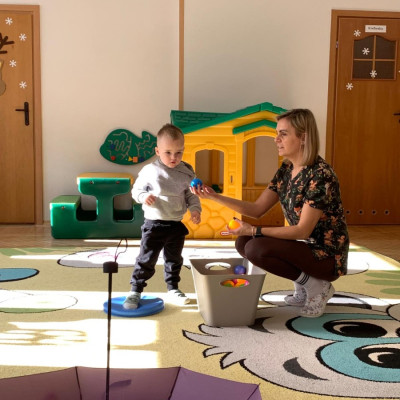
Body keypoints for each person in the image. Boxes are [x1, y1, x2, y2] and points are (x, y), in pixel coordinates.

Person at [191, 109, 349, 318]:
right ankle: (305, 284)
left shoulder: (321, 175)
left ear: (303, 137)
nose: (276, 139)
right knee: (243, 242)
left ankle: (317, 287)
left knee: (256, 247)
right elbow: (257, 209)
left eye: (283, 134)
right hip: (303, 248)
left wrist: (254, 230)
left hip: (326, 256)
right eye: (277, 133)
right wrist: (214, 197)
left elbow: (302, 231)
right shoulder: (286, 169)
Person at [123, 123, 202, 309]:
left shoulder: (186, 171)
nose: (174, 157)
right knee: (146, 259)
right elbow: (136, 190)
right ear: (157, 151)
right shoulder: (150, 170)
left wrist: (195, 210)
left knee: (174, 260)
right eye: (168, 152)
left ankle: (173, 288)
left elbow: (191, 195)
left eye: (178, 152)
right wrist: (144, 196)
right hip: (154, 224)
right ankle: (135, 290)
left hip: (175, 225)